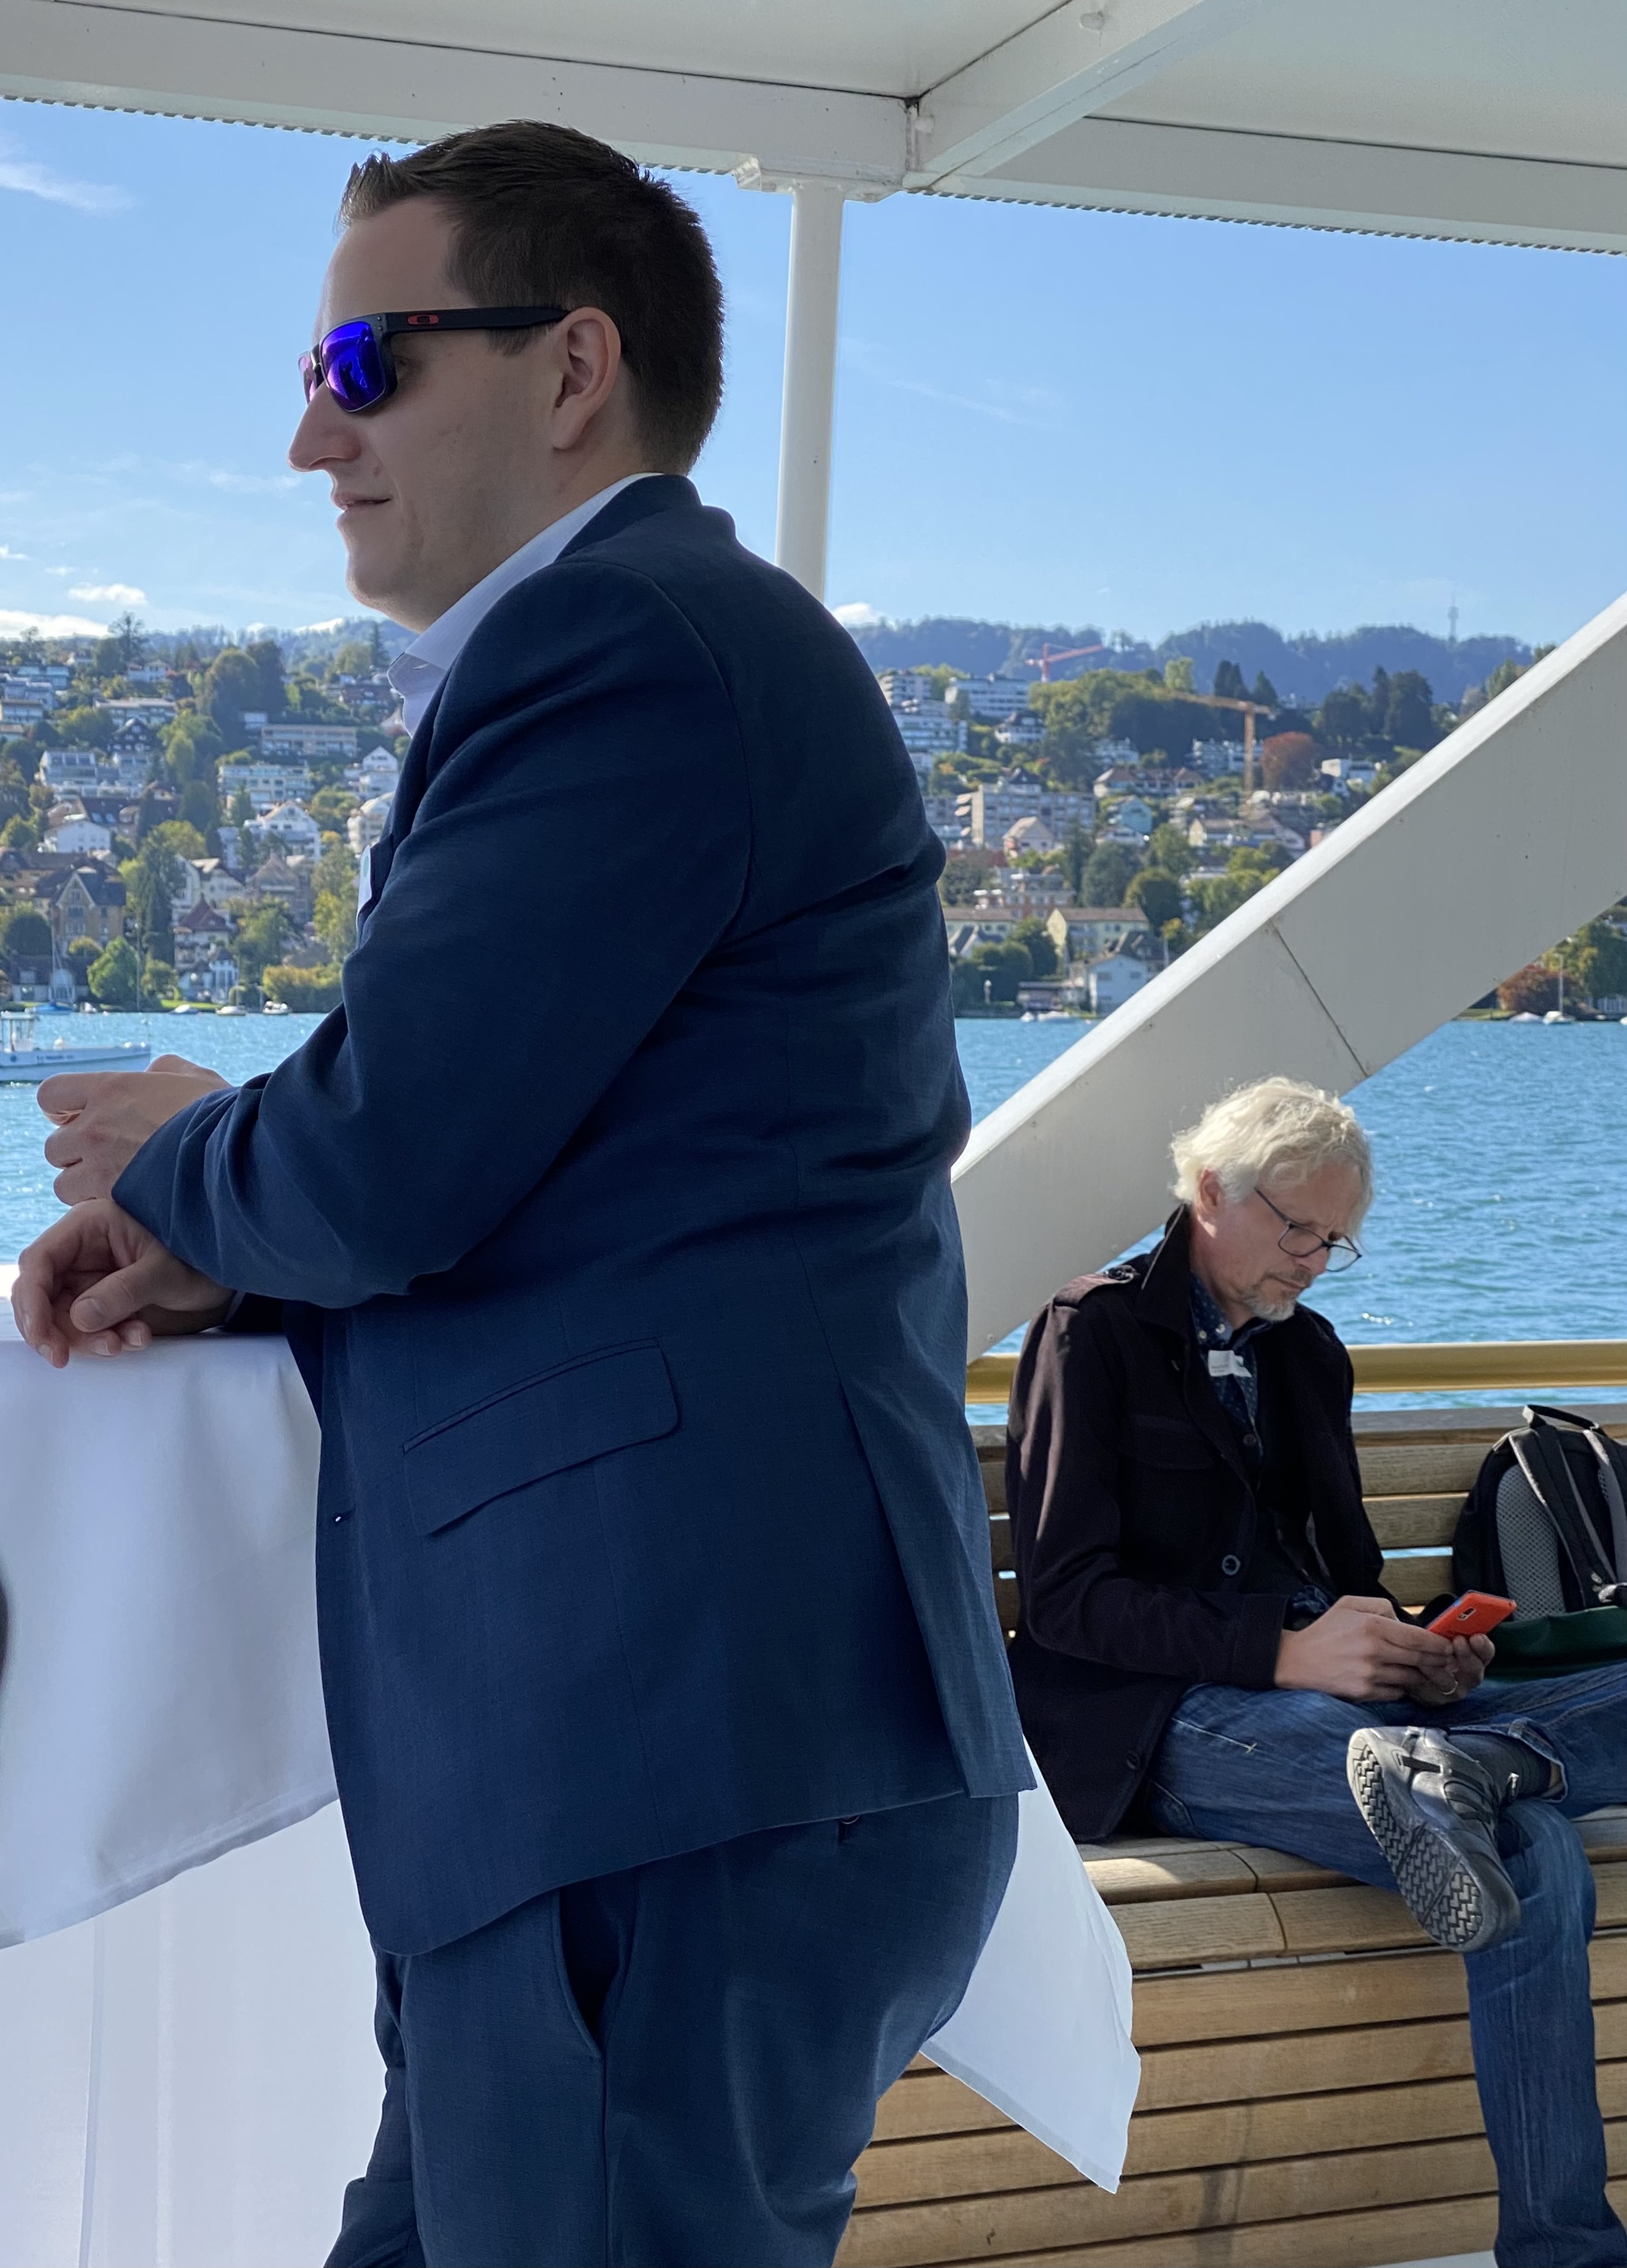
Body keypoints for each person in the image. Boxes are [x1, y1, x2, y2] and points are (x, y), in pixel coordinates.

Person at [11, 121, 1029, 2268]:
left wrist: (183, 1160)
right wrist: (227, 1260)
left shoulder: (623, 645)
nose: (312, 436)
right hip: (653, 1767)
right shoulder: (665, 646)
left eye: (363, 362)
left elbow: (390, 1152)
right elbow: (583, 1178)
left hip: (658, 1755)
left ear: (571, 368)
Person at [1006, 1075, 1627, 2268]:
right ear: (1210, 1191)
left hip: (1360, 1714)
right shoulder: (1092, 1332)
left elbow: (1346, 1573)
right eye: (1298, 1229)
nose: (1314, 1260)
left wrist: (1421, 1651)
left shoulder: (1310, 1353)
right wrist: (1283, 1650)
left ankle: (1480, 1758)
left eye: (1334, 1241)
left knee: (1502, 1795)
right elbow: (1069, 1601)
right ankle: (1569, 2253)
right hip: (1171, 1718)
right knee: (1531, 1850)